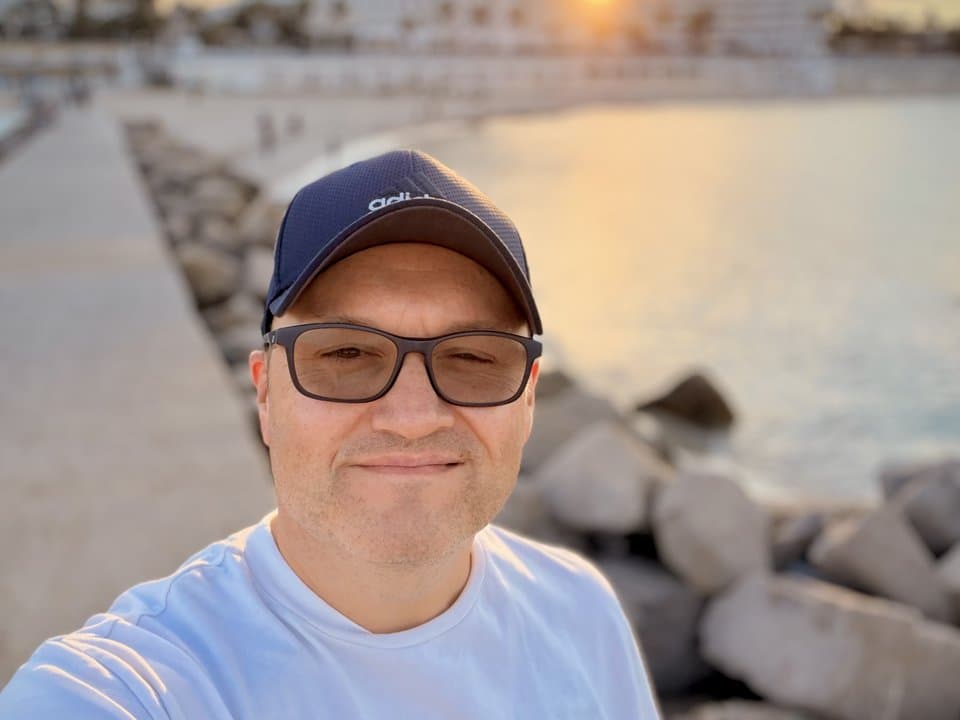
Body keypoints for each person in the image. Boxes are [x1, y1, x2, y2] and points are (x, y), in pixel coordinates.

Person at [0, 150, 661, 719]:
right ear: (264, 391)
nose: (412, 416)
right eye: (345, 355)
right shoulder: (143, 685)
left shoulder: (580, 611)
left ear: (529, 397)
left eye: (474, 358)